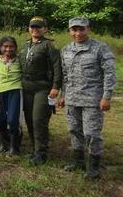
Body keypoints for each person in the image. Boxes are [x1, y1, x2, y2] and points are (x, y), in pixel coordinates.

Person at [58, 17, 117, 179]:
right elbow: (65, 75)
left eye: (81, 29)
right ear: (70, 31)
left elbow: (109, 73)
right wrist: (63, 95)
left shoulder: (100, 48)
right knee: (74, 130)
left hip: (92, 99)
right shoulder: (66, 50)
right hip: (72, 98)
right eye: (74, 30)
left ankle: (94, 167)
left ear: (88, 29)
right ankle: (78, 162)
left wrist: (107, 96)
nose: (78, 33)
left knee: (91, 133)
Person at [19, 16, 63, 166]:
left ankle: (41, 153)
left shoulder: (49, 46)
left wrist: (56, 86)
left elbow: (57, 67)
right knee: (29, 120)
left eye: (38, 27)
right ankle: (34, 148)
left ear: (45, 29)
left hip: (43, 87)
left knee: (39, 120)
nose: (35, 29)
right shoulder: (25, 45)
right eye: (32, 27)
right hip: (26, 86)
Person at [0, 36, 23, 155]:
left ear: (15, 48)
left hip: (15, 91)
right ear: (0, 47)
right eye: (5, 46)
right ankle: (4, 144)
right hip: (0, 93)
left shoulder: (20, 60)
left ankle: (14, 148)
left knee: (13, 120)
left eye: (11, 46)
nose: (8, 49)